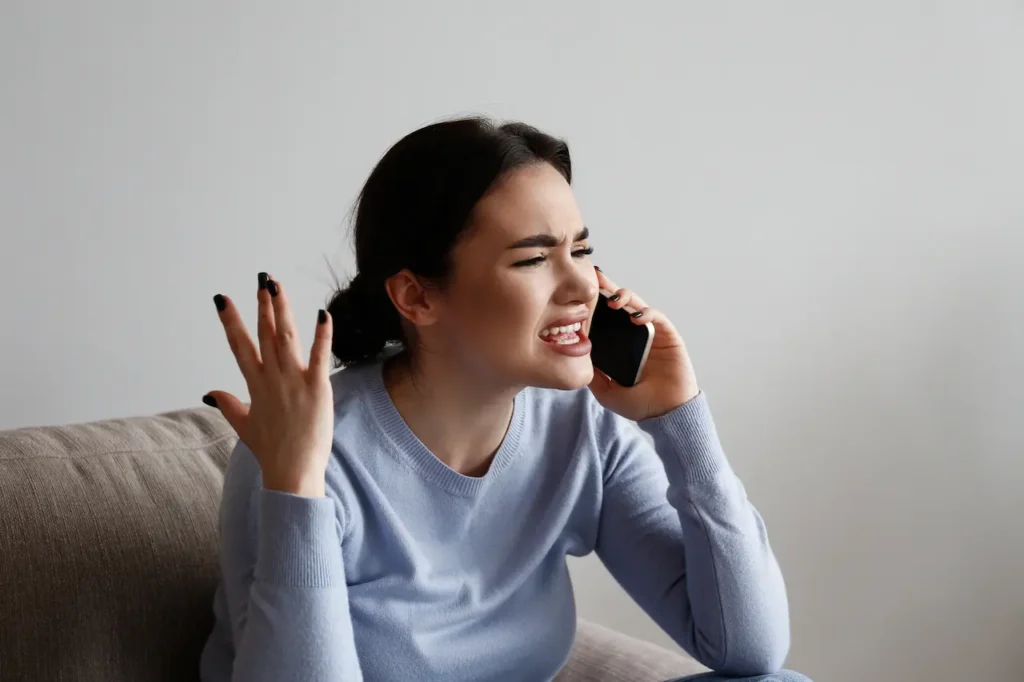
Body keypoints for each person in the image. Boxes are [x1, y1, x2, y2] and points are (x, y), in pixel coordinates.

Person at [197, 117, 810, 682]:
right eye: (536, 258)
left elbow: (748, 650)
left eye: (583, 251)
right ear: (416, 297)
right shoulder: (300, 455)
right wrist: (296, 491)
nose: (581, 286)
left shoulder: (582, 426)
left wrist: (682, 424)